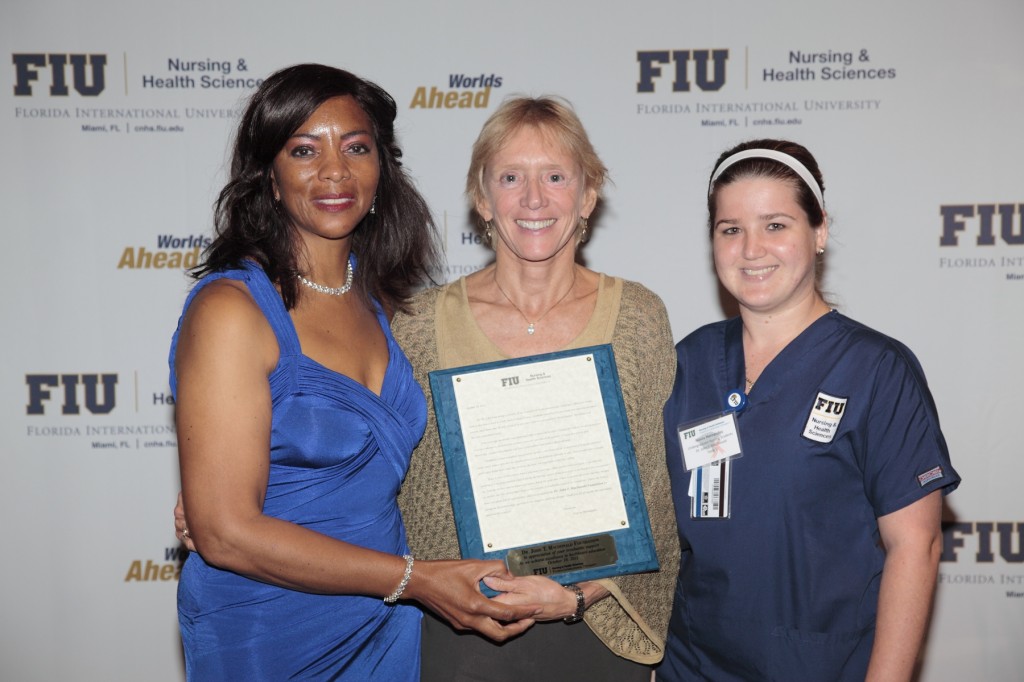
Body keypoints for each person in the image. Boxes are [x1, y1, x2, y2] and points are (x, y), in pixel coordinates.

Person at [169, 63, 537, 680]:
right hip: (269, 630)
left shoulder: (385, 304)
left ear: (382, 167)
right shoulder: (231, 310)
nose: (335, 171)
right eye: (305, 150)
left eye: (356, 147)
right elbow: (227, 531)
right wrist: (415, 580)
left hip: (386, 625)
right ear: (269, 175)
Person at [392, 96, 680, 681]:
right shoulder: (417, 325)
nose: (533, 198)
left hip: (596, 629)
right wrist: (249, 488)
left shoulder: (638, 318)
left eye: (555, 176)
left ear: (587, 197)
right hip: (460, 635)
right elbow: (369, 461)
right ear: (482, 199)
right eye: (510, 177)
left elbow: (659, 489)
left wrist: (580, 596)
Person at [657, 139, 960, 681]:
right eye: (731, 229)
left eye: (775, 225)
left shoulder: (876, 370)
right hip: (693, 667)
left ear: (819, 232)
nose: (752, 249)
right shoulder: (690, 361)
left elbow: (917, 545)